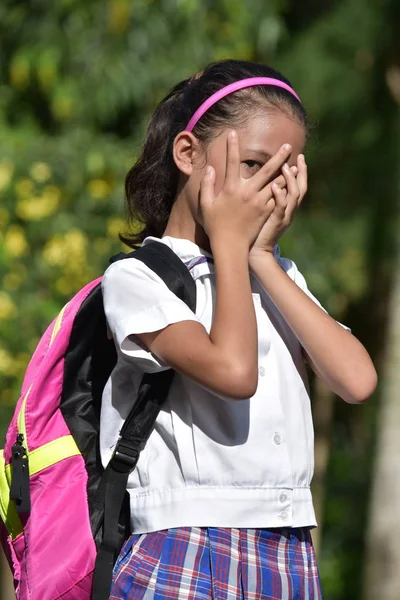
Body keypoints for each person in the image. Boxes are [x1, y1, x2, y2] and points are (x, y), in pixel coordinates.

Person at [101, 59, 377, 599]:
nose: (268, 191)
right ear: (188, 155)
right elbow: (233, 372)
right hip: (186, 544)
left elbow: (357, 381)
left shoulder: (273, 274)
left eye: (285, 174)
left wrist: (265, 258)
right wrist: (230, 244)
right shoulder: (137, 278)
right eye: (253, 164)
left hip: (289, 545)